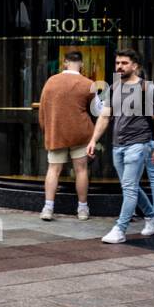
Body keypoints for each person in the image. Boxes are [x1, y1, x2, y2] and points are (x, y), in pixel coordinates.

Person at [88, 49, 154, 244]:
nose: (119, 66)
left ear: (135, 66)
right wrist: (93, 140)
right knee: (128, 185)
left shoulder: (147, 88)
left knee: (130, 187)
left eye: (124, 63)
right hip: (117, 145)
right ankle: (151, 216)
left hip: (139, 144)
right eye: (117, 63)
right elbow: (105, 116)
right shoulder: (113, 88)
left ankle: (120, 229)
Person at [37, 50, 95, 221]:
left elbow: (42, 110)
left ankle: (48, 208)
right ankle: (83, 209)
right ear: (82, 64)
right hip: (81, 133)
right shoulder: (88, 83)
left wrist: (47, 131)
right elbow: (97, 110)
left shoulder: (51, 81)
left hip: (57, 133)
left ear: (64, 63)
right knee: (81, 170)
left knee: (53, 170)